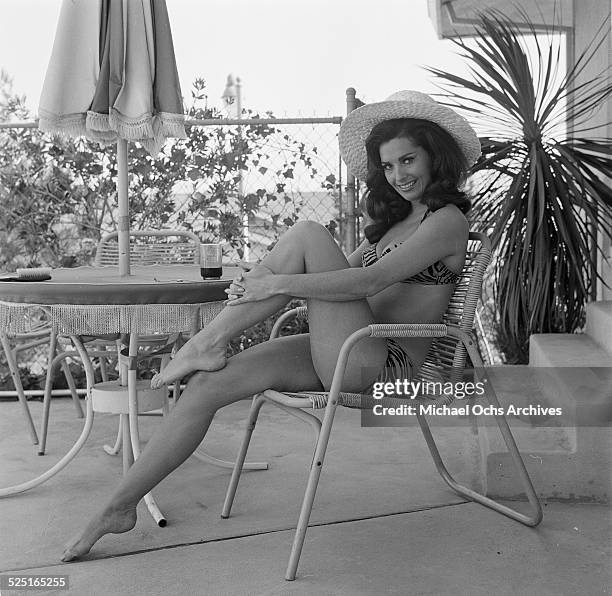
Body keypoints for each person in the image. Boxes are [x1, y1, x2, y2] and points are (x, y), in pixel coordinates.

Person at [61, 90, 480, 561]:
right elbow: (340, 278)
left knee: (306, 234)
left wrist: (273, 282)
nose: (399, 175)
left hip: (382, 364)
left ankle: (205, 340)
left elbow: (368, 279)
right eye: (387, 166)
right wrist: (264, 284)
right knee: (206, 385)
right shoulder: (397, 222)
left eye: (408, 160)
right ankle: (118, 506)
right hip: (348, 346)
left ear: (434, 157)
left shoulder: (448, 221)